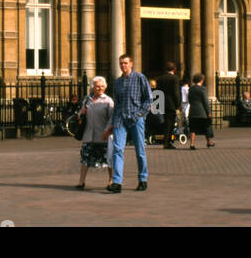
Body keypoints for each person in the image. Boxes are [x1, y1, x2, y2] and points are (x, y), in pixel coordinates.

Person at [105, 53, 152, 192]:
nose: (123, 66)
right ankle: (117, 182)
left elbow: (148, 99)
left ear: (131, 64)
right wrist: (113, 122)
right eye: (121, 63)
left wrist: (140, 114)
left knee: (140, 150)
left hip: (136, 119)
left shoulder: (139, 78)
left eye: (125, 63)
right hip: (120, 119)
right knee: (117, 150)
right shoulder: (117, 82)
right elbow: (116, 103)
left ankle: (143, 179)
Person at [76, 75, 114, 188]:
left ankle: (111, 180)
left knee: (109, 159)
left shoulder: (108, 101)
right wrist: (81, 113)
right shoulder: (87, 99)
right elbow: (79, 116)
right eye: (97, 86)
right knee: (85, 158)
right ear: (93, 87)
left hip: (103, 135)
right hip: (89, 134)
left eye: (102, 86)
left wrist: (107, 131)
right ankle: (81, 181)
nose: (100, 88)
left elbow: (112, 118)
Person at [155, 63, 180, 149]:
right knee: (170, 123)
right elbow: (176, 92)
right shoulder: (175, 78)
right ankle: (167, 142)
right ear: (174, 69)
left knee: (165, 122)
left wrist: (157, 103)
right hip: (171, 104)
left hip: (162, 102)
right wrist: (178, 104)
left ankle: (166, 141)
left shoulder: (160, 78)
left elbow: (157, 91)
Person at [187, 73, 214, 148]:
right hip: (202, 112)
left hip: (192, 111)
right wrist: (209, 112)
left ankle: (192, 144)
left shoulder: (191, 89)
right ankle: (209, 142)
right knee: (206, 127)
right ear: (201, 80)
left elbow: (189, 99)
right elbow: (205, 101)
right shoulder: (202, 89)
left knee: (192, 128)